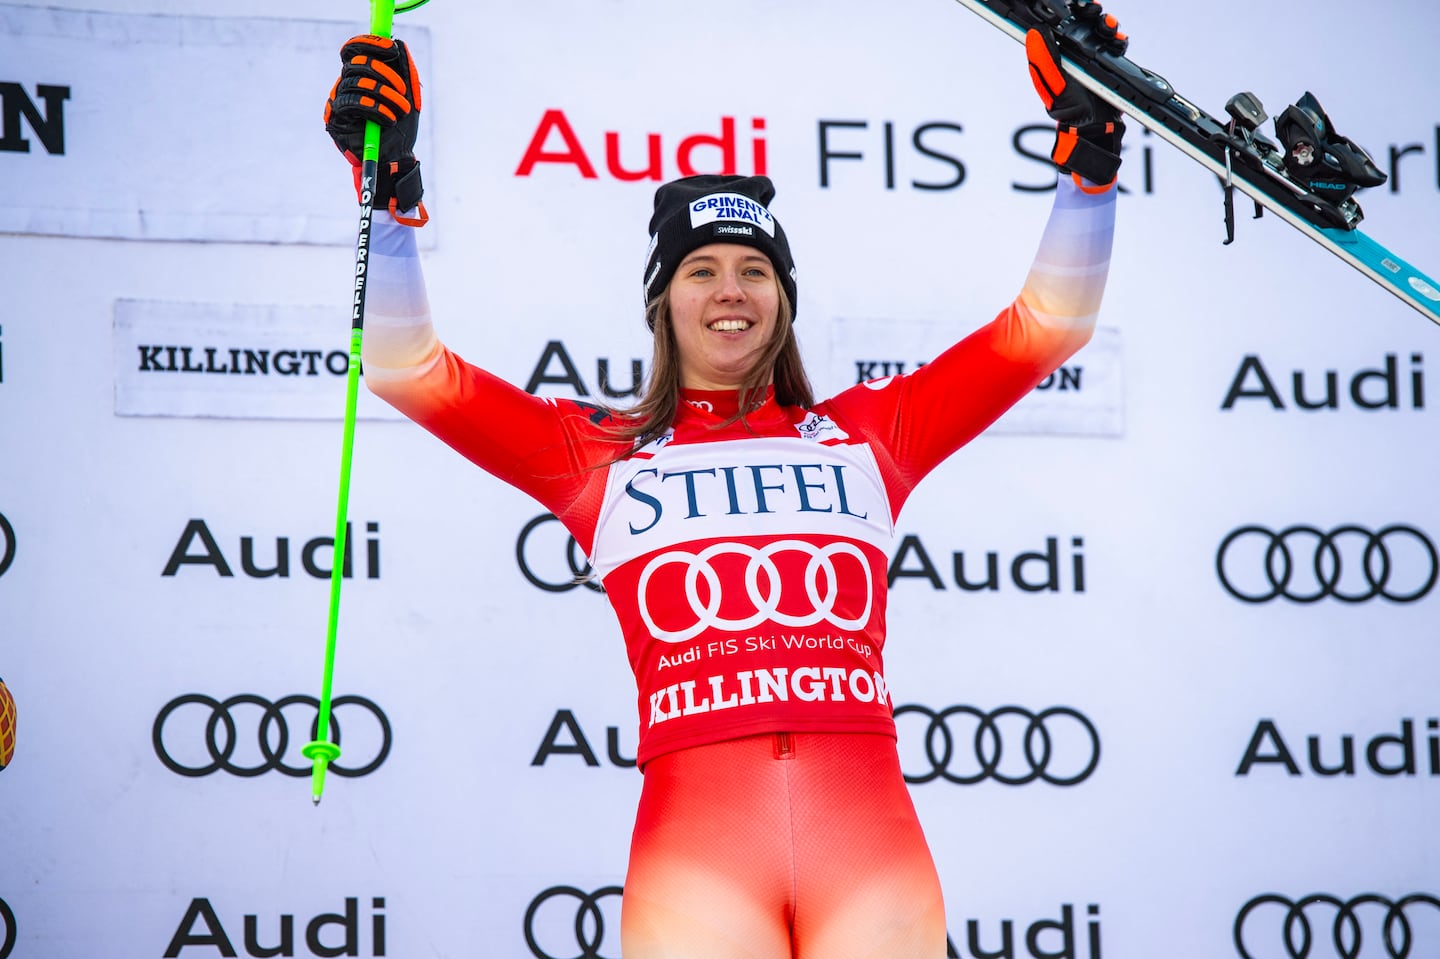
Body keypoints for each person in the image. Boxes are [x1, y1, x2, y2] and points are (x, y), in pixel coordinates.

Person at [323, 6, 1125, 956]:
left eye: (755, 269)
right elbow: (404, 367)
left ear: (784, 301)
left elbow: (1050, 324)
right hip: (698, 861)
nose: (731, 290)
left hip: (867, 849)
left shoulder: (870, 434)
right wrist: (388, 190)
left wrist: (1091, 167)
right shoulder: (602, 454)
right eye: (701, 270)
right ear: (664, 304)